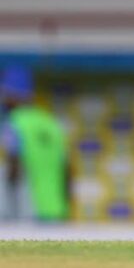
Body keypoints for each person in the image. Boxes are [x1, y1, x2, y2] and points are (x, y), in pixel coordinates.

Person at [1, 66, 70, 222]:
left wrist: (9, 212)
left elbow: (14, 166)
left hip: (29, 212)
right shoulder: (51, 121)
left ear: (14, 95)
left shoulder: (14, 123)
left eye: (5, 94)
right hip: (57, 210)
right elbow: (66, 170)